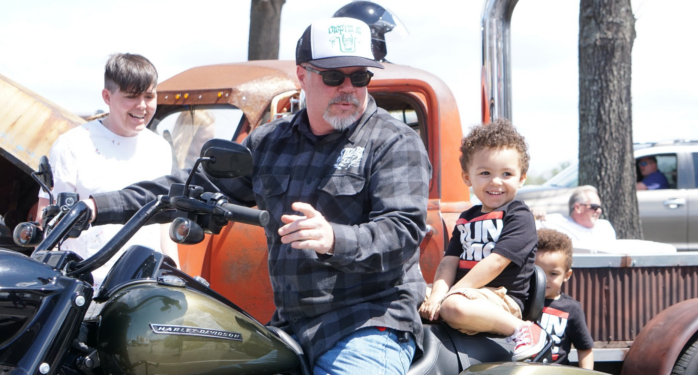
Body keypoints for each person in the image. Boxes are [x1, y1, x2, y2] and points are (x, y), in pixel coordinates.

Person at [84, 17, 431, 375]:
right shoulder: (271, 141)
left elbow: (403, 231)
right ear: (302, 75)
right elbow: (188, 187)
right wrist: (97, 207)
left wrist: (334, 238)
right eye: (333, 77)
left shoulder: (393, 141)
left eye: (359, 77)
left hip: (367, 322)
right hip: (290, 325)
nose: (348, 88)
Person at [37, 53, 179, 291]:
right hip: (83, 286)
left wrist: (176, 272)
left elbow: (165, 221)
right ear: (107, 96)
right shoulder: (72, 145)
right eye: (131, 96)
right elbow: (47, 221)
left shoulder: (160, 149)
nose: (142, 106)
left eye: (149, 96)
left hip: (144, 286)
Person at [418, 120, 544, 362]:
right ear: (467, 177)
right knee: (407, 295)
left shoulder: (519, 215)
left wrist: (452, 294)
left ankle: (522, 330)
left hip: (500, 297)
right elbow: (448, 263)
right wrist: (436, 295)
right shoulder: (466, 218)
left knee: (453, 307)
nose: (495, 181)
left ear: (521, 178)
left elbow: (496, 262)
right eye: (485, 173)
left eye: (506, 174)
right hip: (464, 293)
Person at [535, 228, 594, 369]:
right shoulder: (518, 302)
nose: (545, 279)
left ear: (567, 275)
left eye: (553, 273)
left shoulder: (572, 309)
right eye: (537, 271)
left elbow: (584, 348)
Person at [535, 186, 616, 247]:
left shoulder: (605, 227)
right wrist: (532, 213)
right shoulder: (554, 222)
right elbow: (530, 225)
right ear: (578, 208)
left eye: (599, 207)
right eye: (594, 207)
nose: (599, 211)